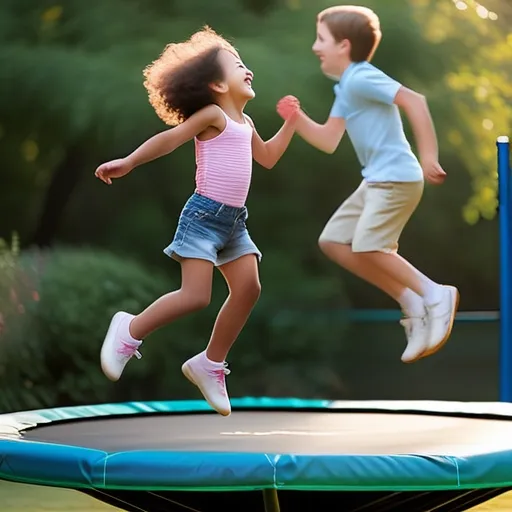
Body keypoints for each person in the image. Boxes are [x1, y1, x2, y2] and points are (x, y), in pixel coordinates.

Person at [94, 26, 300, 416]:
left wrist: (290, 122)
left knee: (249, 288)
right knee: (196, 296)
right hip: (204, 217)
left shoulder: (247, 122)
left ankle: (209, 363)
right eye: (237, 65)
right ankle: (129, 330)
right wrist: (130, 161)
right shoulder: (213, 115)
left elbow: (268, 158)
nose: (247, 68)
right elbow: (170, 139)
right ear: (216, 84)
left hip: (234, 222)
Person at [276, 5, 458, 364]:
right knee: (333, 242)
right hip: (374, 181)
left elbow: (413, 100)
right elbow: (329, 139)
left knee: (370, 246)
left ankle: (435, 293)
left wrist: (429, 156)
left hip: (396, 178)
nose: (315, 47)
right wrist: (297, 120)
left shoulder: (361, 76)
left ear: (343, 46)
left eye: (321, 39)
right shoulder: (346, 87)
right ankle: (410, 301)